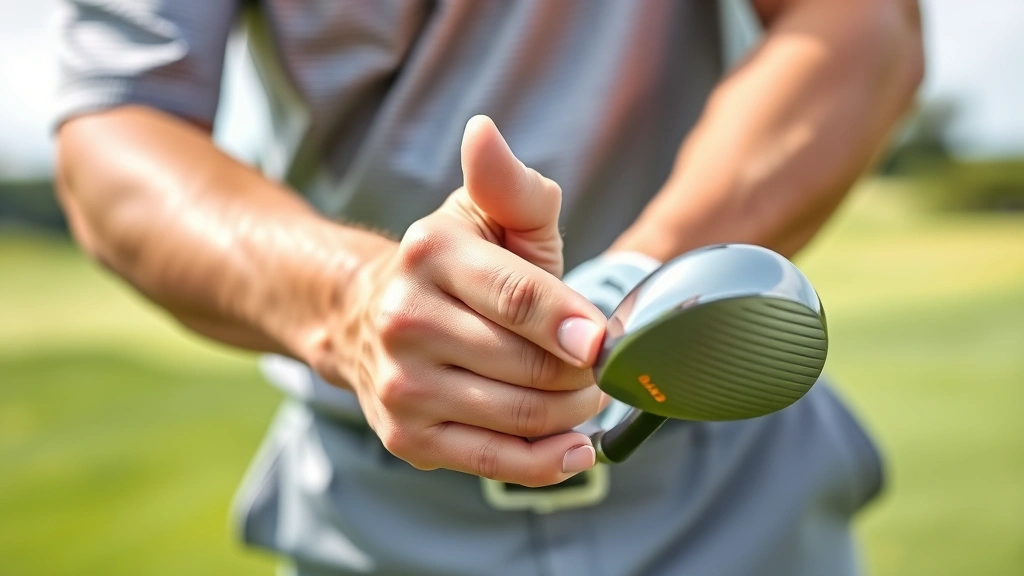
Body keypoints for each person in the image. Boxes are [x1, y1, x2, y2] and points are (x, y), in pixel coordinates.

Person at [53, 0, 923, 574]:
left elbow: (862, 22)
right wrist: (354, 300)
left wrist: (631, 287)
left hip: (718, 474)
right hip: (376, 504)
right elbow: (114, 132)